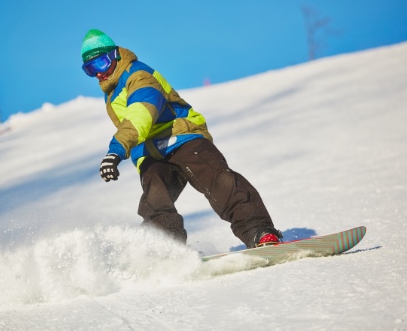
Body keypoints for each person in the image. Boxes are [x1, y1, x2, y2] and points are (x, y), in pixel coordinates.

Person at [80, 29, 282, 248]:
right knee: (155, 203)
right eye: (90, 69)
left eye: (101, 63)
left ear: (116, 55)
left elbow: (141, 113)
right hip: (152, 153)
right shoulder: (110, 95)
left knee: (219, 181)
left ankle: (259, 232)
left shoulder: (138, 76)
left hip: (182, 137)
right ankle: (165, 252)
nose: (98, 73)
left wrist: (116, 150)